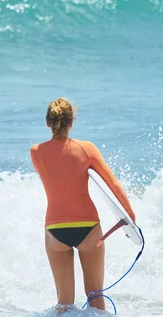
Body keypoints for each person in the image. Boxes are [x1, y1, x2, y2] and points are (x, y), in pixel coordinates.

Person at [30, 98, 136, 313]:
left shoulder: (36, 151)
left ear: (47, 123)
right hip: (88, 228)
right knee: (95, 296)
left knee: (64, 303)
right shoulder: (86, 149)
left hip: (55, 230)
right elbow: (112, 183)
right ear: (71, 122)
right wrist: (130, 217)